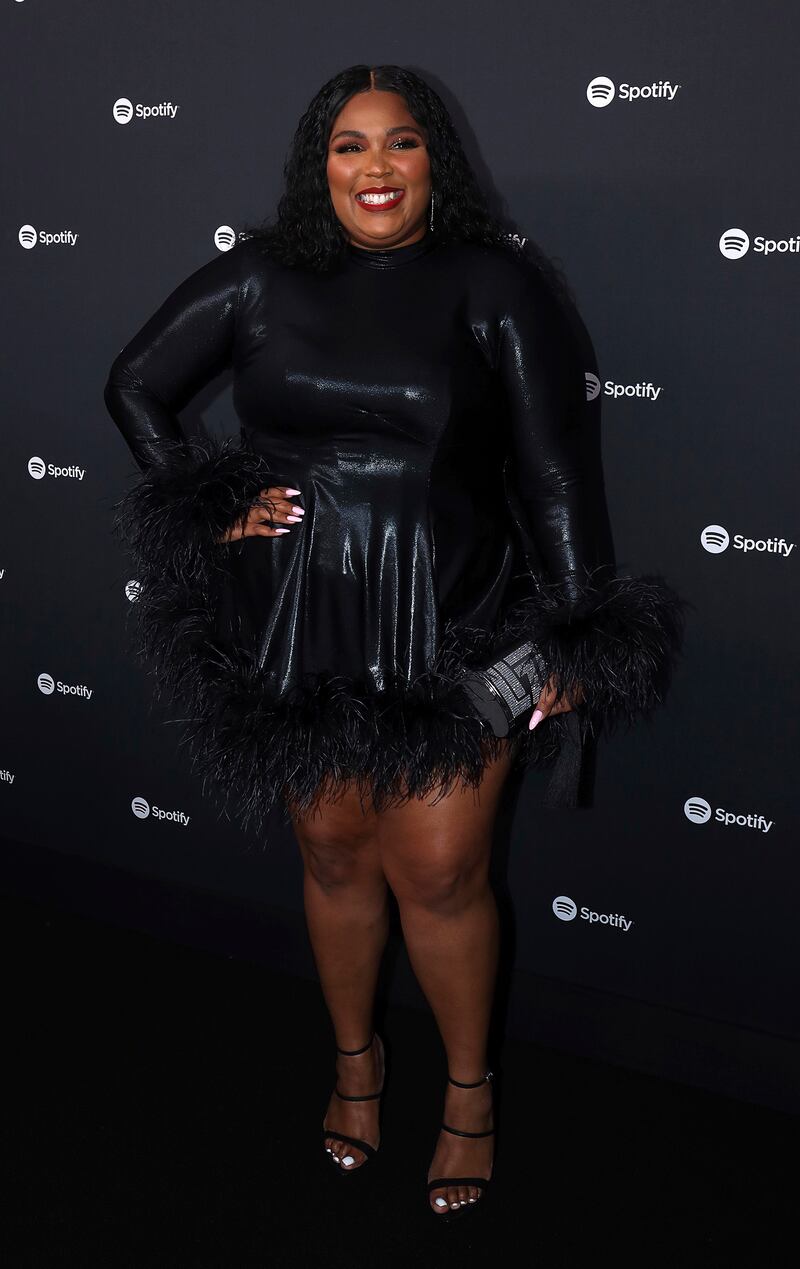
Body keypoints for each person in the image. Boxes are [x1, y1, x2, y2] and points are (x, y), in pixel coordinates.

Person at [104, 64, 684, 1219]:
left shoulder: (494, 284)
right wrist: (208, 501)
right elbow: (135, 386)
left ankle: (468, 1096)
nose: (374, 169)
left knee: (440, 869)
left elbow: (553, 469)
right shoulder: (264, 275)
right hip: (296, 619)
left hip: (462, 619)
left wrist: (572, 627)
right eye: (348, 147)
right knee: (329, 857)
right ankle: (355, 1072)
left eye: (400, 144)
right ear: (318, 166)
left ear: (436, 163)